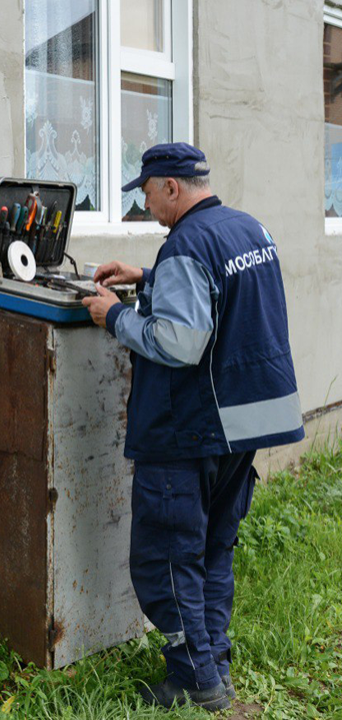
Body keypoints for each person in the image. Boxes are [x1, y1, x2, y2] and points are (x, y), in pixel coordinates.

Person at [82, 143, 304, 712]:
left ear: (173, 188)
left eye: (148, 193)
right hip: (244, 425)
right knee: (211, 548)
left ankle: (193, 679)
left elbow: (181, 342)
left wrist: (118, 315)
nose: (146, 206)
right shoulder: (248, 229)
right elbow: (220, 292)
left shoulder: (186, 243)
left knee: (167, 555)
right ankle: (215, 661)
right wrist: (150, 275)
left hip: (191, 427)